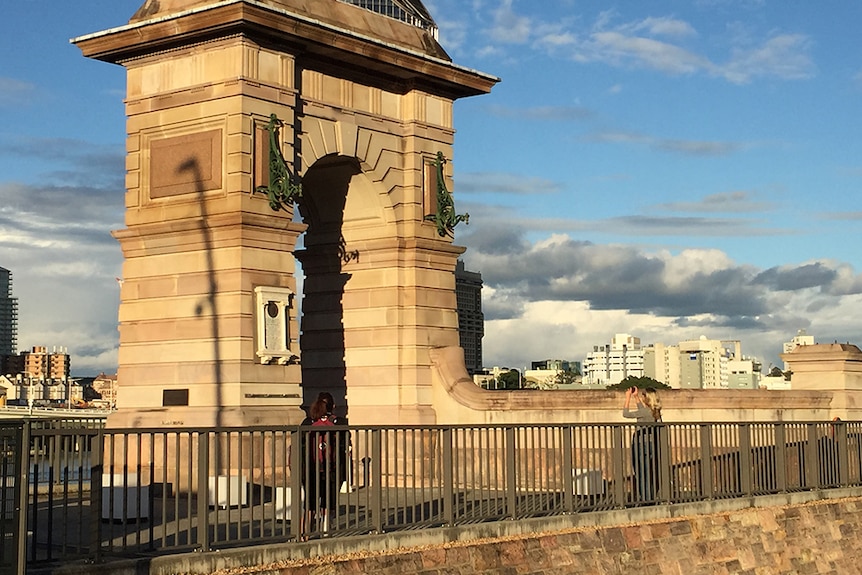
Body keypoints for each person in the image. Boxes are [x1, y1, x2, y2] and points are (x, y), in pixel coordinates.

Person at [622, 386, 662, 502]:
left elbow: (626, 414)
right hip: (650, 443)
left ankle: (645, 498)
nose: (642, 397)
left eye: (643, 395)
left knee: (640, 472)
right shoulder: (655, 411)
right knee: (647, 471)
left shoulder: (644, 412)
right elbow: (642, 411)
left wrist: (627, 398)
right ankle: (649, 496)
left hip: (640, 443)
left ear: (647, 398)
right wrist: (636, 397)